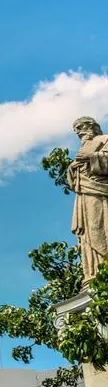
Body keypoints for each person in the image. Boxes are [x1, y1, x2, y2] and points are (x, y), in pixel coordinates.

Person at [69, 116, 108, 284]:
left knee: (99, 225)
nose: (80, 131)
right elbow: (73, 181)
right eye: (77, 129)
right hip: (85, 193)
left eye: (82, 126)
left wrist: (91, 157)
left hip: (100, 191)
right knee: (87, 232)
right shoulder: (83, 148)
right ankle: (92, 272)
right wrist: (73, 168)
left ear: (93, 127)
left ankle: (103, 268)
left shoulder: (104, 140)